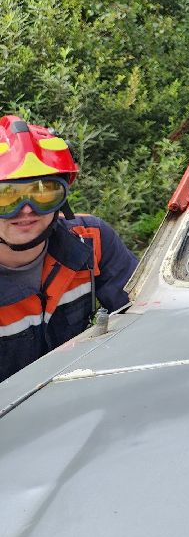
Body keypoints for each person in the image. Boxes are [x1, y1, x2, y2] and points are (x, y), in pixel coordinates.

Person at [0, 115, 138, 383]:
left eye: (43, 192)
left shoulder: (91, 240)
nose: (26, 210)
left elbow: (143, 314)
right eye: (6, 196)